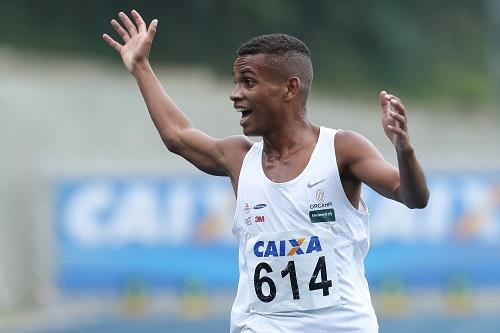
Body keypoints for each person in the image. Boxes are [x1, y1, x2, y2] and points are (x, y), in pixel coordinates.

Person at [103, 10, 429, 333]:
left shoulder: (341, 149)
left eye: (248, 82)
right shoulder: (238, 157)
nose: (235, 94)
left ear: (290, 88)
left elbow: (412, 196)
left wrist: (404, 149)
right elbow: (177, 136)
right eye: (235, 82)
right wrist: (141, 67)